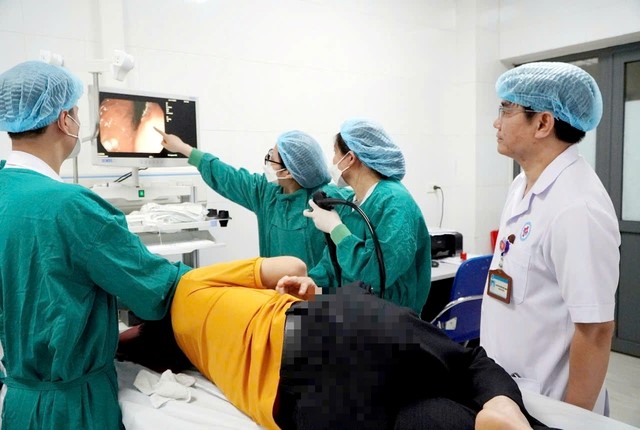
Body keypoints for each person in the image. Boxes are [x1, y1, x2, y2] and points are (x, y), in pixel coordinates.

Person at [118, 257, 551, 430]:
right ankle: (503, 406)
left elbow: (125, 342)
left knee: (413, 418)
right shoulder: (191, 282)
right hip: (316, 329)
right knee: (465, 365)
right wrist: (295, 285)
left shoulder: (176, 348)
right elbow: (292, 265)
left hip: (294, 406)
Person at [0, 61, 191, 429]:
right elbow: (154, 292)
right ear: (63, 120)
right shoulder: (72, 207)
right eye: (75, 112)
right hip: (74, 410)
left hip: (18, 404)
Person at [480, 62, 621, 414]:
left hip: (548, 403)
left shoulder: (577, 207)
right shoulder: (522, 184)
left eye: (506, 109)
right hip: (508, 389)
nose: (496, 122)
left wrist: (569, 420)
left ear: (543, 123)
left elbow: (596, 330)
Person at [155, 128, 349, 268]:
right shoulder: (265, 193)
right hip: (272, 296)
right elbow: (228, 177)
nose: (268, 162)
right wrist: (183, 148)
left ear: (288, 172)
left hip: (313, 297)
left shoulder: (329, 201)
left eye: (272, 157)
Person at [303, 118, 431, 314]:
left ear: (350, 158)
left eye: (335, 154)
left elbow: (375, 275)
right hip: (354, 317)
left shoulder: (395, 203)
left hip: (391, 323)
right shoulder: (351, 203)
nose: (333, 162)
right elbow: (334, 265)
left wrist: (337, 230)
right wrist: (310, 284)